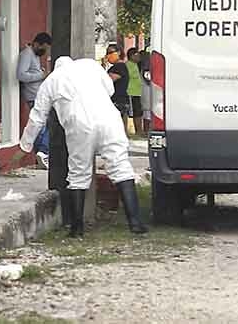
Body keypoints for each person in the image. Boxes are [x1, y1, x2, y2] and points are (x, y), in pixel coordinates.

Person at [19, 56, 148, 237]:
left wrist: (25, 145)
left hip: (78, 125)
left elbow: (37, 117)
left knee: (78, 173)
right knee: (121, 167)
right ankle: (135, 223)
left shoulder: (50, 81)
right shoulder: (90, 65)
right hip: (109, 119)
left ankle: (76, 228)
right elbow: (110, 89)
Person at [17, 32, 52, 168]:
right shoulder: (27, 54)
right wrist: (41, 75)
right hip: (33, 96)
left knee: (40, 127)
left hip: (38, 95)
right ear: (37, 43)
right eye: (43, 47)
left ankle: (41, 156)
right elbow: (21, 75)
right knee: (42, 126)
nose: (44, 51)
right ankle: (43, 152)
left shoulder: (35, 56)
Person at [106, 44, 130, 126]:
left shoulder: (119, 67)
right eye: (107, 53)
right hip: (119, 99)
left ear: (119, 52)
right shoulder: (118, 67)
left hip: (118, 99)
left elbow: (108, 80)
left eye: (111, 52)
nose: (108, 55)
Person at [126, 48, 144, 136]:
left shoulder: (136, 65)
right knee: (135, 113)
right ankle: (137, 131)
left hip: (138, 92)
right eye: (137, 55)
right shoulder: (128, 65)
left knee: (139, 112)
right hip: (131, 93)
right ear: (132, 56)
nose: (139, 57)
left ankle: (140, 130)